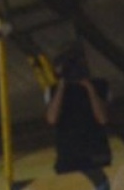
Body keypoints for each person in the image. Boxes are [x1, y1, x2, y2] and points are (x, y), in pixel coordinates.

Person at [44, 41, 111, 173]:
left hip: (96, 154)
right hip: (68, 158)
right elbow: (52, 119)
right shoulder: (54, 91)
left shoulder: (100, 85)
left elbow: (103, 118)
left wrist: (89, 88)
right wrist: (62, 85)